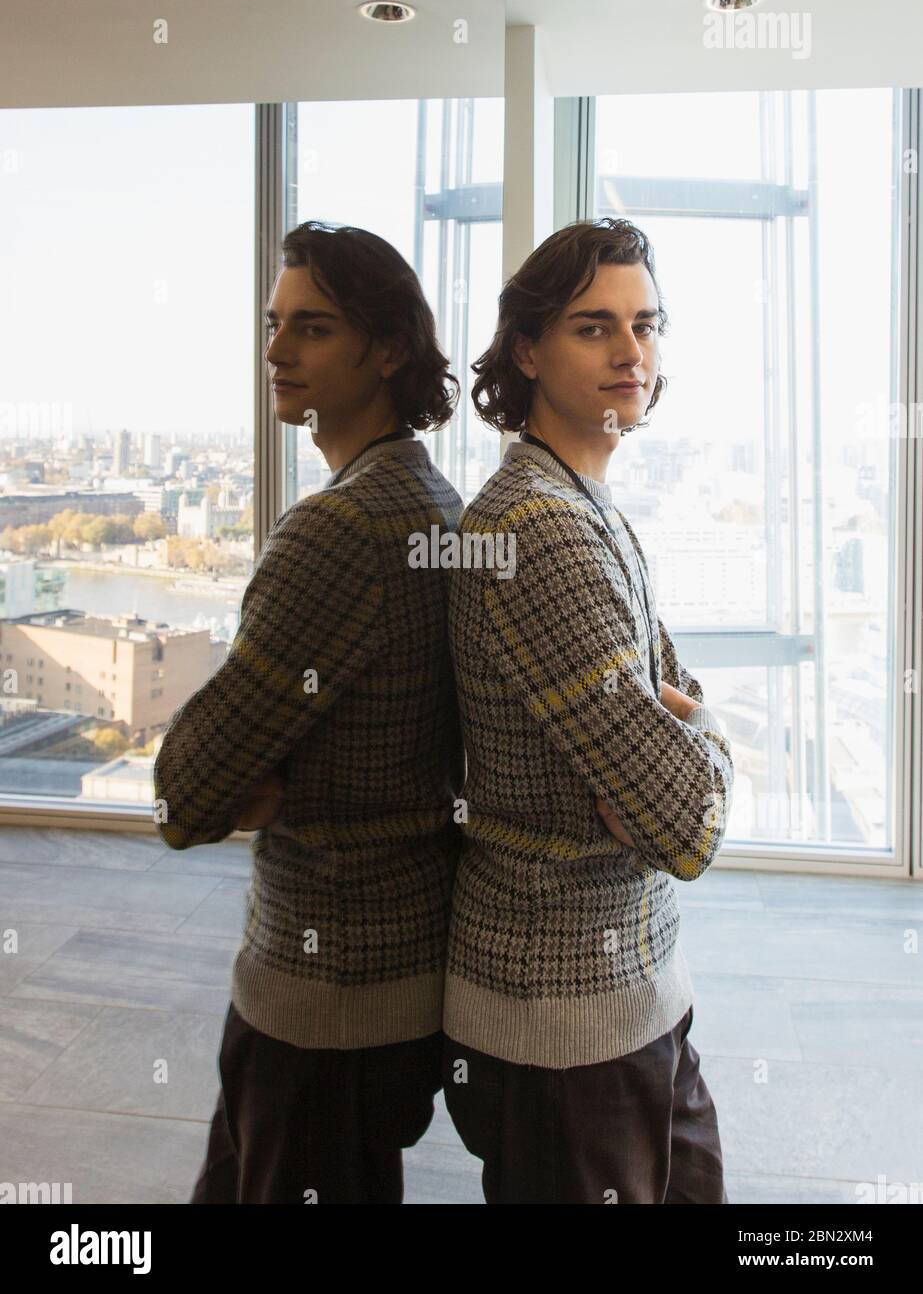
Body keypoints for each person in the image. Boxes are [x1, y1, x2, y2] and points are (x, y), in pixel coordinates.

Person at [153, 221, 465, 1203]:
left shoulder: (339, 529)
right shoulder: (433, 503)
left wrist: (247, 789)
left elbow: (183, 793)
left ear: (387, 350)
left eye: (313, 328)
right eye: (273, 322)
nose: (276, 351)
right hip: (395, 976)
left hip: (321, 997)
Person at [441, 216, 735, 1204]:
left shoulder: (585, 501)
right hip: (562, 1019)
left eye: (644, 322)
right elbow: (678, 821)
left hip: (619, 995)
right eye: (591, 326)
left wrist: (682, 738)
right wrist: (705, 740)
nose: (630, 351)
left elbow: (666, 744)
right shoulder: (536, 526)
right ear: (524, 350)